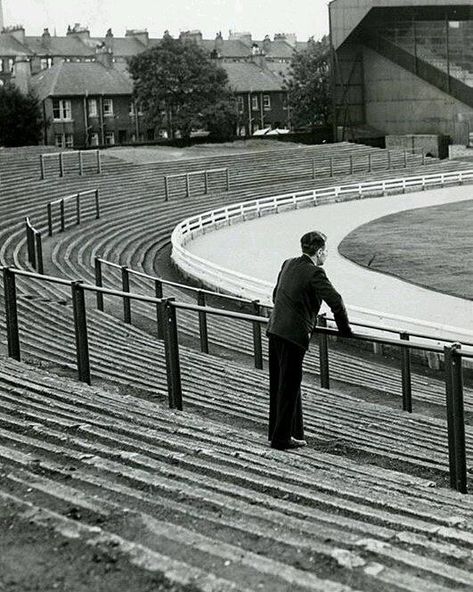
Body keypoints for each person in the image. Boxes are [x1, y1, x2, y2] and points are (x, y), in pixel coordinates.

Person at [267, 230, 353, 450]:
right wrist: (345, 331)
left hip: (275, 329)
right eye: (326, 252)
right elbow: (337, 301)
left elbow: (276, 295)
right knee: (289, 386)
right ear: (320, 251)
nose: (326, 256)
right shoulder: (316, 273)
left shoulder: (288, 263)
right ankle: (281, 440)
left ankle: (282, 434)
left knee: (279, 384)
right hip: (293, 336)